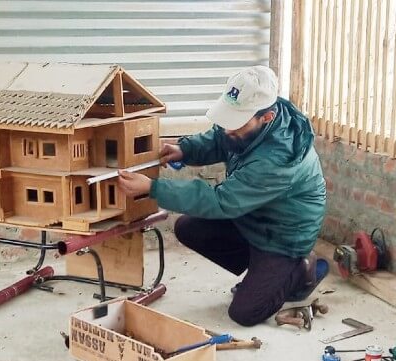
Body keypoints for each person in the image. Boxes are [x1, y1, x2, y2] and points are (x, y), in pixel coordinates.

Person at [117, 65, 327, 326]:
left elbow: (220, 201)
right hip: (253, 217)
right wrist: (184, 150)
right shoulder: (253, 119)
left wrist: (153, 188)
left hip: (282, 236)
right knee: (188, 227)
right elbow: (220, 139)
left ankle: (298, 271)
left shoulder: (277, 160)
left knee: (244, 314)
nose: (229, 129)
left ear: (267, 117)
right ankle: (262, 272)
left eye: (237, 123)